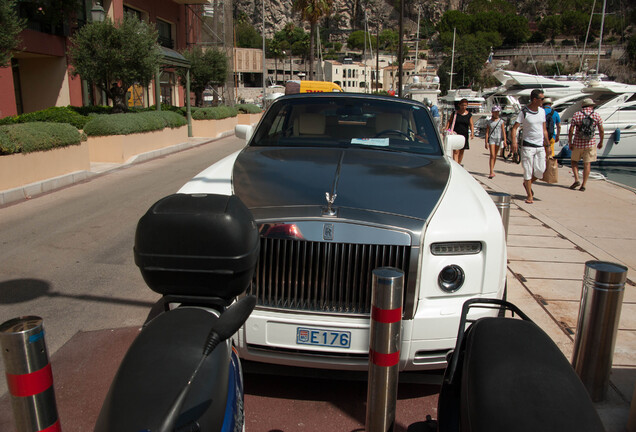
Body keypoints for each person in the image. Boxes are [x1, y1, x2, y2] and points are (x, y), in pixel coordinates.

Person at [511, 89, 549, 204]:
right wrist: (514, 142)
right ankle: (529, 195)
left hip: (539, 145)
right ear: (534, 100)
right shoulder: (524, 112)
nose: (543, 100)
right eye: (541, 99)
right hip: (528, 145)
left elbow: (544, 129)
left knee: (540, 171)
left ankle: (527, 183)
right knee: (527, 170)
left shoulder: (542, 112)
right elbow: (514, 128)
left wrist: (547, 145)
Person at [567, 98, 604, 192]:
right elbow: (601, 130)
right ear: (591, 105)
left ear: (583, 106)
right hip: (590, 143)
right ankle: (584, 184)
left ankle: (576, 179)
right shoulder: (596, 115)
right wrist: (601, 141)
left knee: (574, 161)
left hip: (577, 143)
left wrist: (570, 142)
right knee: (587, 164)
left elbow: (571, 130)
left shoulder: (577, 114)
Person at [445, 98, 474, 164]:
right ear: (459, 105)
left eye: (465, 105)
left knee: (461, 151)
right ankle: (455, 164)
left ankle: (459, 164)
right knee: (456, 151)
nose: (464, 107)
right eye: (462, 105)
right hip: (456, 134)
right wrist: (446, 128)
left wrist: (472, 133)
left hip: (464, 134)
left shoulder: (469, 115)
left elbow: (471, 124)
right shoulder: (455, 113)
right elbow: (450, 121)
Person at [484, 106, 506, 179]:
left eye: (498, 112)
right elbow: (487, 132)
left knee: (495, 155)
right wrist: (486, 142)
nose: (497, 113)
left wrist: (505, 140)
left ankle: (492, 169)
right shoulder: (489, 122)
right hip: (492, 139)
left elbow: (503, 131)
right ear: (492, 112)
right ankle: (491, 171)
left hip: (498, 139)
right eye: (496, 112)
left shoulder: (501, 121)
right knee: (492, 155)